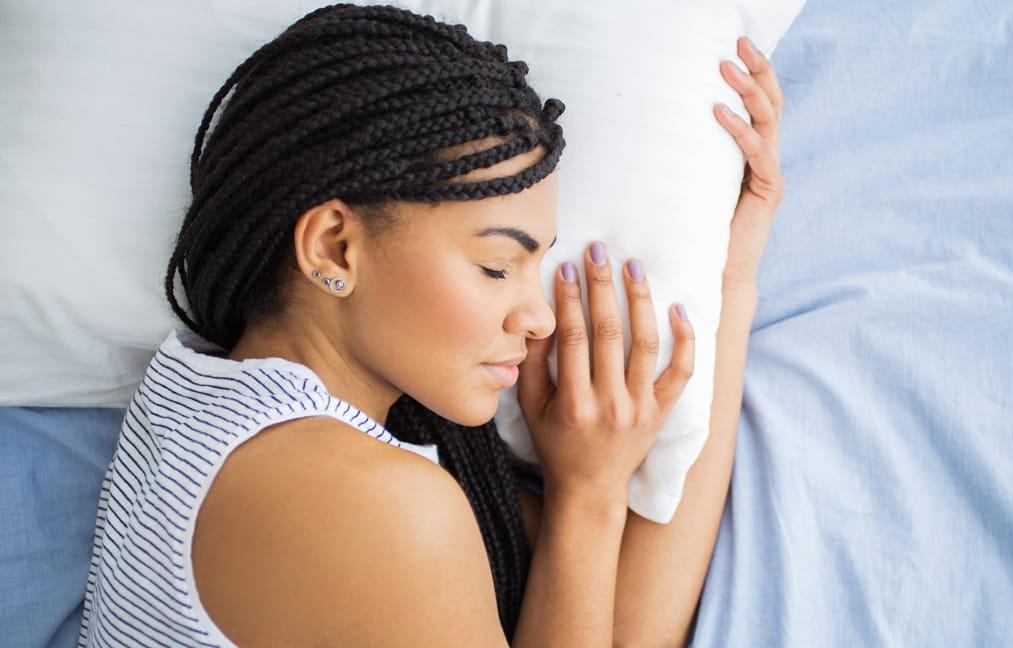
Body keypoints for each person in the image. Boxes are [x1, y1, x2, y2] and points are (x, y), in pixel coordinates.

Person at [78, 3, 784, 646]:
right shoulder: (373, 505)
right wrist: (591, 496)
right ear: (334, 247)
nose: (538, 318)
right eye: (497, 266)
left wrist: (733, 278)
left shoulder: (205, 398)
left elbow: (618, 629)